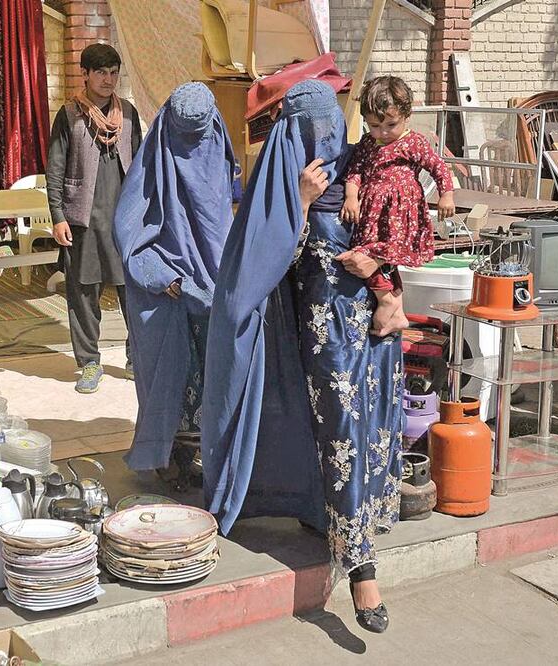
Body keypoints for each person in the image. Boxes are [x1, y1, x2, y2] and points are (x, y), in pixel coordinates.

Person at [203, 80, 400, 634]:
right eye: (315, 127)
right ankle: (361, 569)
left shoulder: (361, 166)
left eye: (333, 123)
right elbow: (264, 265)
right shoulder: (284, 180)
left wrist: (384, 275)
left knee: (369, 430)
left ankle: (335, 518)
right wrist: (302, 202)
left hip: (376, 330)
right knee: (341, 432)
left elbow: (401, 226)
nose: (328, 137)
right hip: (323, 336)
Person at [113, 82, 235, 474]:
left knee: (216, 379)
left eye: (199, 136)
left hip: (215, 289)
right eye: (185, 138)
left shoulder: (216, 148)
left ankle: (207, 457)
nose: (192, 149)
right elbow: (129, 233)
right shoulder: (152, 167)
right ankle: (168, 457)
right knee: (170, 382)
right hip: (166, 294)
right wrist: (166, 278)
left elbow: (218, 221)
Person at [46, 43, 141, 394]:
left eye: (113, 72)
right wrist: (58, 216)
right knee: (83, 295)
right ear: (84, 73)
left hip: (124, 221)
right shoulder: (69, 115)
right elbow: (55, 169)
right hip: (82, 219)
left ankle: (136, 358)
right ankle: (89, 362)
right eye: (101, 72)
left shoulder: (127, 114)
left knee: (134, 293)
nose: (108, 79)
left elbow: (141, 167)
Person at [342, 75, 455, 336]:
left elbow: (438, 167)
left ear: (407, 116)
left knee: (382, 257)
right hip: (373, 213)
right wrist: (351, 196)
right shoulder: (368, 144)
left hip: (401, 213)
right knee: (373, 256)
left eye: (390, 125)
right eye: (374, 125)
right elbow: (355, 171)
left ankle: (387, 302)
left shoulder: (413, 142)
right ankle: (397, 312)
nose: (383, 132)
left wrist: (446, 196)